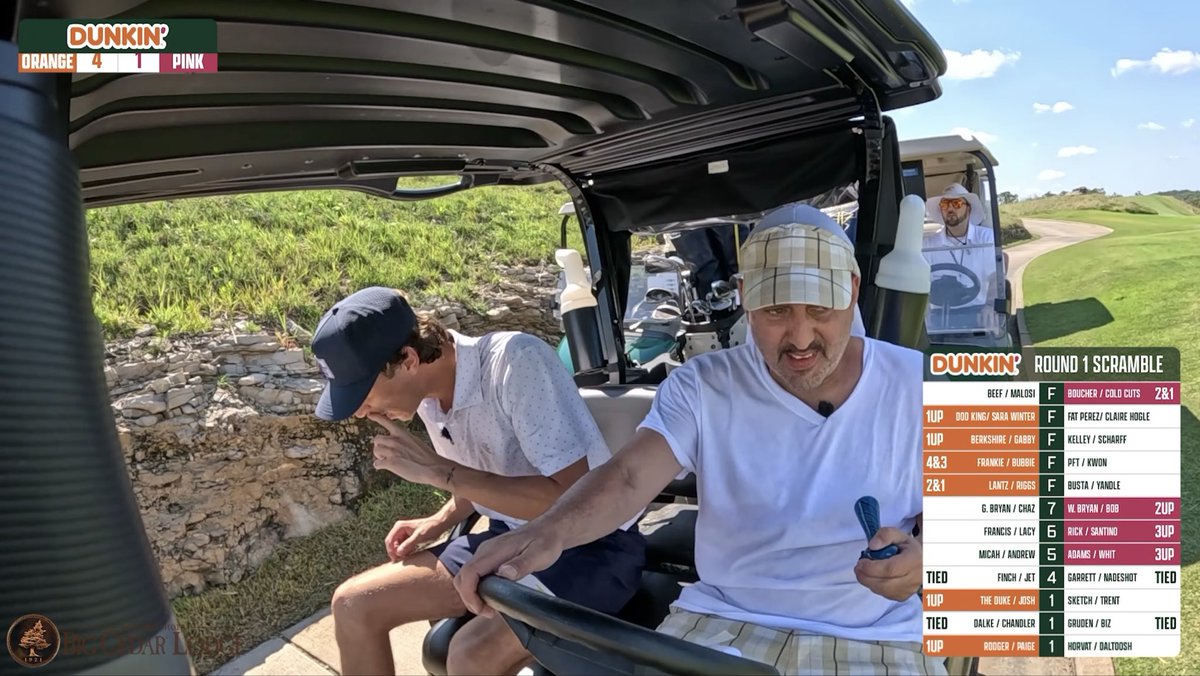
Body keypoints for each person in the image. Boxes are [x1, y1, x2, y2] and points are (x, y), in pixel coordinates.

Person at [453, 205, 944, 675]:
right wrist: (546, 533)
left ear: (852, 291)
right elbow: (627, 477)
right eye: (775, 310)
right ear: (745, 294)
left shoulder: (927, 385)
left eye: (819, 308)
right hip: (722, 624)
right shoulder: (701, 384)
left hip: (877, 632)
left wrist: (927, 556)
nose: (799, 338)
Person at [310, 287, 645, 676]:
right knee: (353, 605)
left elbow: (574, 500)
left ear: (408, 359)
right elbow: (484, 477)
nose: (361, 412)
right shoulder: (429, 398)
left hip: (592, 545)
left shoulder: (515, 362)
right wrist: (440, 520)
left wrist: (439, 471)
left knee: (470, 655)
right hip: (507, 540)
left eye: (362, 394)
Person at [922, 183, 1002, 329]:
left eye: (957, 203)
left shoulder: (985, 238)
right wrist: (923, 312)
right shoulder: (928, 245)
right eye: (945, 204)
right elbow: (922, 284)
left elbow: (995, 277)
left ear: (968, 208)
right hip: (939, 316)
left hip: (978, 312)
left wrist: (990, 305)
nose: (950, 209)